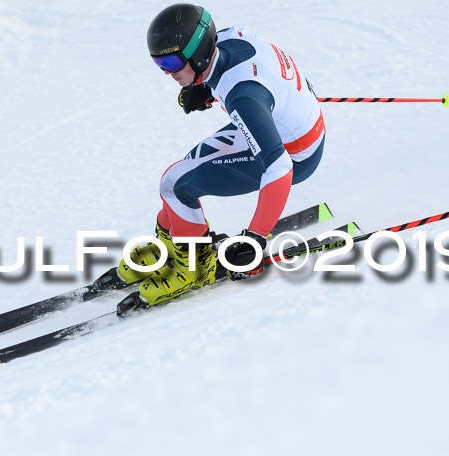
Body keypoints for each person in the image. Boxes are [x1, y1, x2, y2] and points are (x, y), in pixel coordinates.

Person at [118, 3, 325, 306]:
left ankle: (194, 268)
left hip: (296, 155)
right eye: (160, 65)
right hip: (287, 124)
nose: (168, 73)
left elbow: (279, 167)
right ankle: (175, 241)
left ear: (198, 54)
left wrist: (254, 239)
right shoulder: (226, 40)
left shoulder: (243, 95)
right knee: (184, 173)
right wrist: (204, 86)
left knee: (175, 184)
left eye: (174, 64)